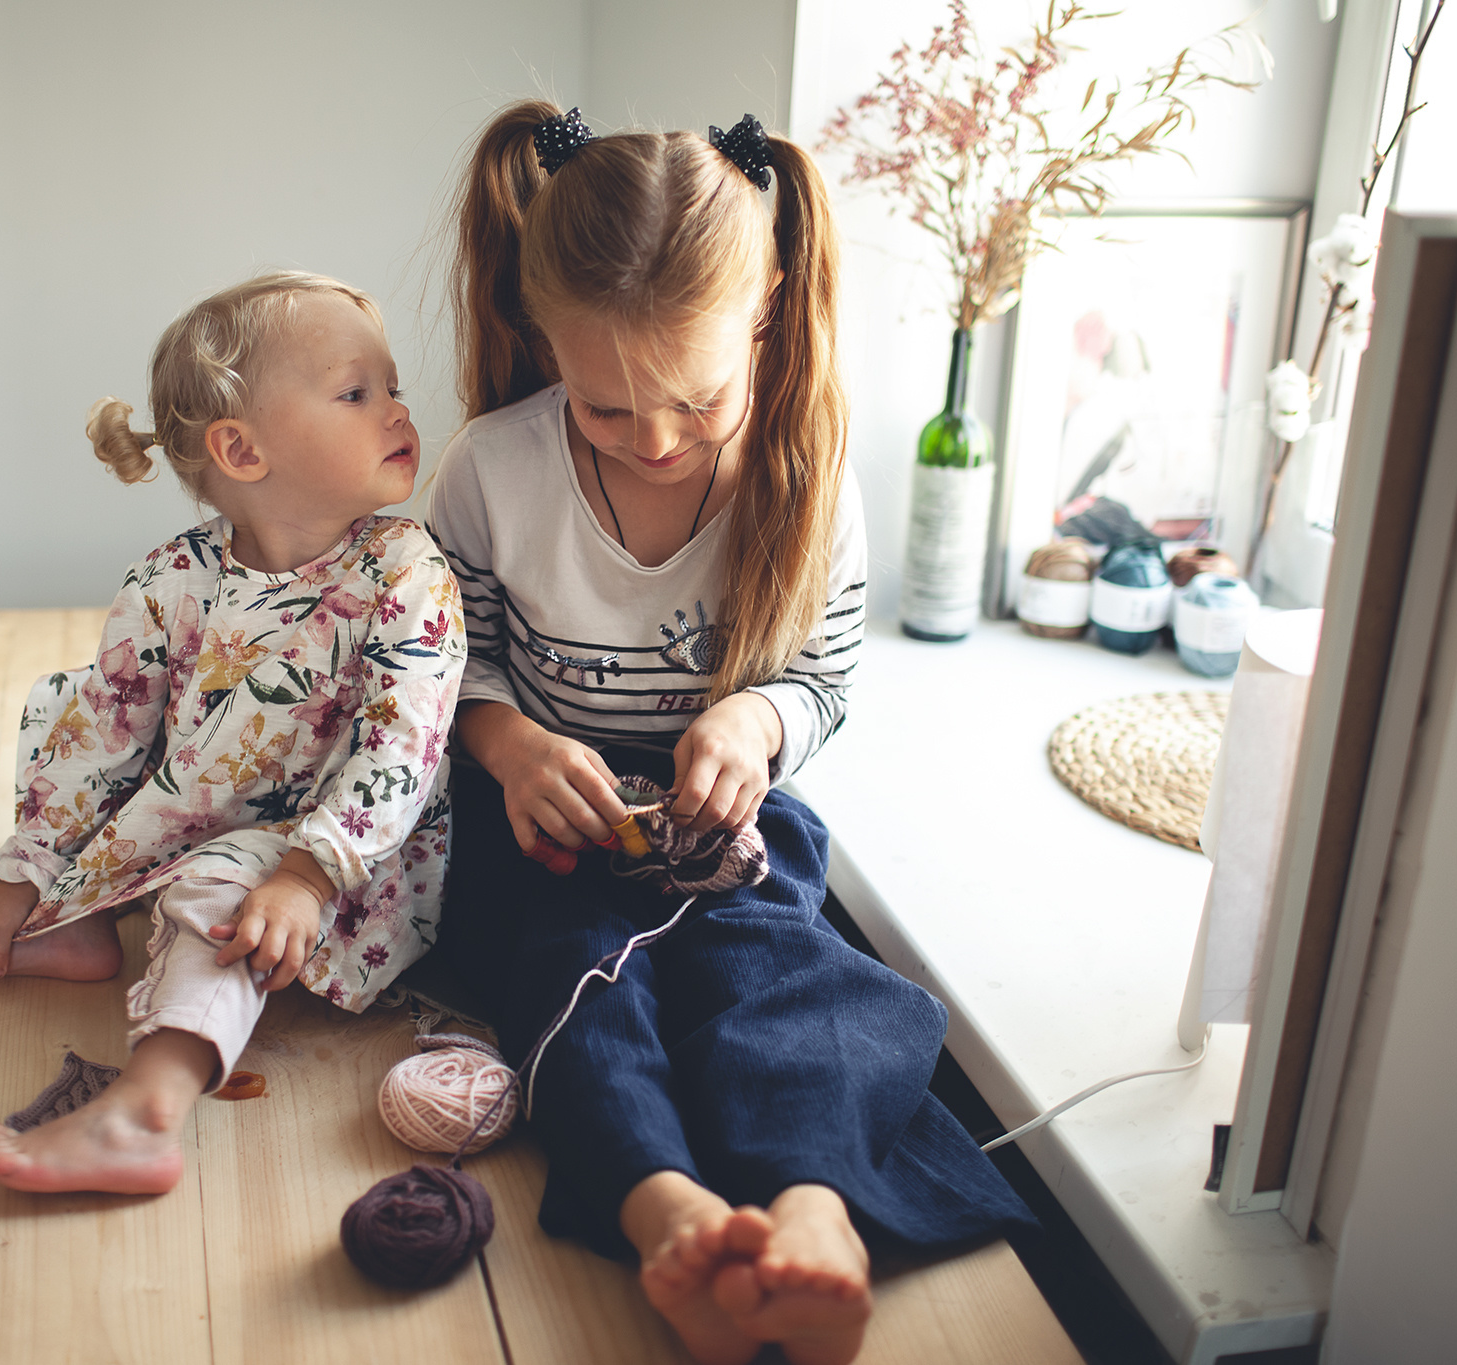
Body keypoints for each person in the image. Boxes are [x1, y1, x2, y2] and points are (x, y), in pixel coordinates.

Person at [428, 104, 1035, 1365]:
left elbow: (818, 676)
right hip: (547, 828)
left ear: (762, 301)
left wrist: (752, 724)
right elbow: (450, 664)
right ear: (544, 340)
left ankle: (817, 1217)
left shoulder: (805, 476)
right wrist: (506, 747)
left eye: (693, 402)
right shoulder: (491, 471)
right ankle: (672, 1219)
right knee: (577, 975)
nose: (650, 441)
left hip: (730, 821)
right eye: (602, 410)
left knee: (795, 982)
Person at [0, 271, 465, 1197]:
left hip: (334, 861)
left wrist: (306, 873)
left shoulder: (404, 573)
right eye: (355, 392)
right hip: (196, 819)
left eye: (393, 385)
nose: (398, 410)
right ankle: (79, 920)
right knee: (68, 708)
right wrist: (30, 871)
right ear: (241, 450)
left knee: (222, 880)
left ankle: (144, 1108)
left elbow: (397, 757)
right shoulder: (172, 577)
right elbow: (105, 739)